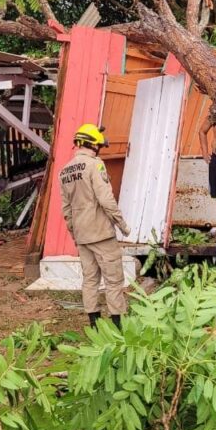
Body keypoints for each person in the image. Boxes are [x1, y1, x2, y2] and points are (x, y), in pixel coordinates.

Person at [59, 123, 131, 328]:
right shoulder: (95, 165)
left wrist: (74, 232)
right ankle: (118, 325)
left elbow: (66, 208)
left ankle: (94, 325)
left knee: (89, 279)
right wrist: (121, 224)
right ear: (93, 145)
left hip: (82, 234)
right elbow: (106, 199)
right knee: (113, 280)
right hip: (101, 233)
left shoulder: (64, 171)